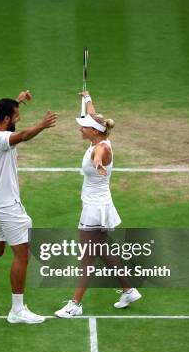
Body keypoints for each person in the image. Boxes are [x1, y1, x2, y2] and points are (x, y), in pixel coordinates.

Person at [0, 90, 57, 324]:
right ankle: (17, 310)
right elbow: (24, 136)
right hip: (7, 207)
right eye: (16, 116)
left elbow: (13, 122)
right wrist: (43, 125)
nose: (18, 119)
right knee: (22, 255)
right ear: (5, 119)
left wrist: (18, 101)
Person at [54, 90, 141, 318]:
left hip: (95, 210)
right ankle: (129, 290)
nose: (80, 129)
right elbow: (94, 116)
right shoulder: (99, 135)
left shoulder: (101, 147)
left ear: (94, 131)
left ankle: (75, 304)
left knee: (87, 258)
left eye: (83, 127)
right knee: (102, 250)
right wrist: (87, 98)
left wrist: (98, 163)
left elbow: (98, 156)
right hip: (98, 205)